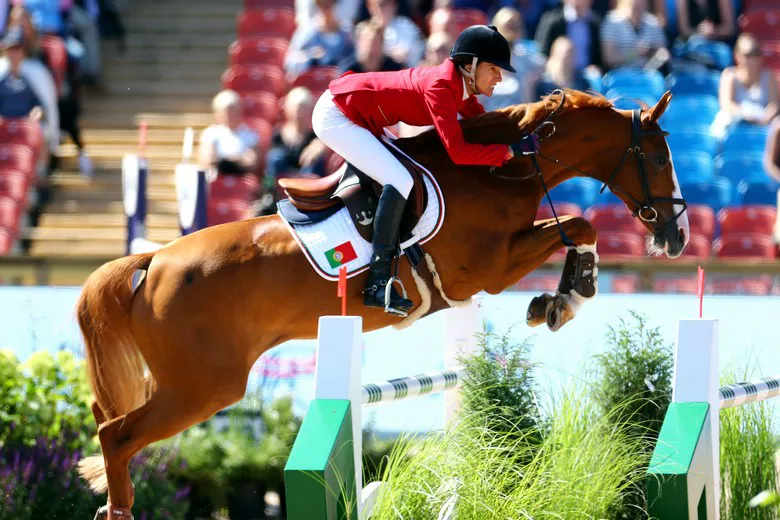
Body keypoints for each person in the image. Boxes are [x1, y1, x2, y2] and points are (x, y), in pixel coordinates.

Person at [312, 25, 537, 315]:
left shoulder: (458, 86)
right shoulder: (442, 87)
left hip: (360, 117)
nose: (499, 77)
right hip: (337, 116)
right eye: (494, 68)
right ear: (471, 66)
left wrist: (517, 138)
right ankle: (377, 282)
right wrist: (508, 152)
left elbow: (483, 123)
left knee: (407, 172)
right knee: (400, 179)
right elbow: (457, 151)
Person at [711, 34, 778, 139]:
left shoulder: (769, 77)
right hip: (736, 119)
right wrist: (747, 115)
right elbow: (727, 104)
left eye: (756, 53)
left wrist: (764, 118)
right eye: (747, 54)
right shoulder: (729, 75)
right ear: (737, 56)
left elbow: (774, 105)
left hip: (763, 121)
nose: (752, 59)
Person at [197, 89, 260, 176]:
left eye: (233, 110)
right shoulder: (210, 133)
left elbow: (252, 162)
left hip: (240, 177)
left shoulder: (250, 135)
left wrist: (231, 160)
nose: (230, 115)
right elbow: (207, 160)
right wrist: (237, 159)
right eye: (226, 111)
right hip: (216, 176)